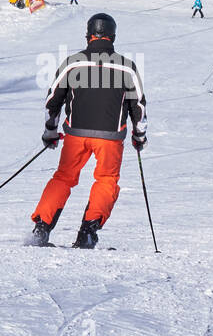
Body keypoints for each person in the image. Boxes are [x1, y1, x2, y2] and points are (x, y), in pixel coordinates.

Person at [30, 13, 146, 250]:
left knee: (63, 177)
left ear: (88, 35)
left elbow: (53, 100)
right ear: (112, 37)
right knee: (106, 180)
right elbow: (139, 105)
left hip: (76, 134)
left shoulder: (73, 63)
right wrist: (139, 135)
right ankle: (88, 233)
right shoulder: (127, 66)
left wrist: (50, 131)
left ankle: (42, 228)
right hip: (111, 138)